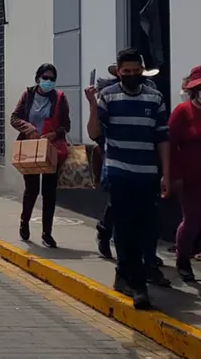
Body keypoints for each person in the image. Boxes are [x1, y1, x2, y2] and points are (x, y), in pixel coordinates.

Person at [86, 47, 170, 309]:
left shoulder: (155, 98)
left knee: (147, 228)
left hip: (147, 173)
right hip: (119, 171)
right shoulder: (107, 96)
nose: (132, 76)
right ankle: (138, 285)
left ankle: (124, 275)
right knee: (126, 228)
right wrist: (91, 104)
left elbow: (162, 138)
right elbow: (93, 133)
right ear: (118, 72)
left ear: (142, 71)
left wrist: (166, 172)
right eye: (127, 72)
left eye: (136, 71)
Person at [10, 63, 70, 248]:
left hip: (51, 149)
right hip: (30, 147)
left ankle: (47, 232)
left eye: (52, 79)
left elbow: (66, 125)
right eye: (45, 78)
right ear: (38, 78)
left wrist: (54, 134)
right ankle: (24, 222)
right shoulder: (27, 95)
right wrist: (29, 129)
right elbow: (14, 118)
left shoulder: (60, 98)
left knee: (49, 192)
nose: (48, 82)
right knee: (32, 189)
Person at [168, 64, 201, 282]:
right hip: (191, 178)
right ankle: (182, 259)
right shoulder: (182, 112)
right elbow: (170, 146)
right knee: (192, 221)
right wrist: (173, 175)